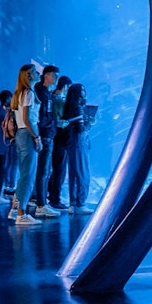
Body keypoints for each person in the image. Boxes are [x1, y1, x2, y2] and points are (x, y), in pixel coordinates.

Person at [9, 64, 42, 225]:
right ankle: (21, 214)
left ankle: (17, 210)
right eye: (35, 72)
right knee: (28, 175)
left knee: (23, 173)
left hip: (20, 134)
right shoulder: (28, 93)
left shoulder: (18, 93)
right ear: (29, 75)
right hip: (28, 134)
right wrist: (36, 137)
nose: (38, 74)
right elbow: (28, 118)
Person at [31, 65, 62, 219]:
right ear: (48, 76)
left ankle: (42, 202)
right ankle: (41, 205)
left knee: (46, 171)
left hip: (47, 134)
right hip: (45, 135)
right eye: (55, 76)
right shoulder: (41, 93)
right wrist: (53, 124)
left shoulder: (45, 93)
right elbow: (42, 117)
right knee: (43, 171)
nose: (56, 80)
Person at [62, 83, 94, 214]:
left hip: (70, 143)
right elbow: (81, 129)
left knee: (73, 173)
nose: (85, 92)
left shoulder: (68, 106)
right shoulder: (78, 108)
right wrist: (90, 123)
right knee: (83, 172)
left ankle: (73, 204)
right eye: (83, 90)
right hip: (78, 142)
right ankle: (81, 203)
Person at [47, 75, 72, 209]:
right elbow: (58, 119)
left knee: (55, 169)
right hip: (60, 138)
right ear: (66, 87)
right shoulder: (58, 101)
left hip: (54, 138)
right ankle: (55, 198)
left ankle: (52, 196)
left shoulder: (52, 98)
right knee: (59, 169)